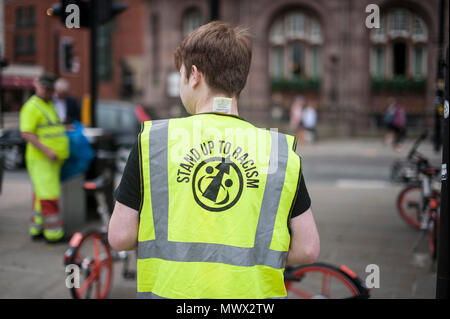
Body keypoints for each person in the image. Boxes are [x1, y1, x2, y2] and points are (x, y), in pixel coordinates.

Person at [108, 21, 320, 299]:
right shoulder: (278, 151)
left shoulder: (155, 141)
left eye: (181, 75)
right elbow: (307, 249)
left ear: (194, 76)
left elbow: (120, 237)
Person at [20, 73, 69, 243]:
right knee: (49, 196)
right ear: (38, 86)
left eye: (50, 90)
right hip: (42, 160)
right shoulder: (32, 106)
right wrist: (47, 150)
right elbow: (27, 133)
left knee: (41, 195)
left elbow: (50, 129)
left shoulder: (48, 104)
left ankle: (37, 229)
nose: (48, 92)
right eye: (45, 89)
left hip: (49, 161)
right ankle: (54, 234)